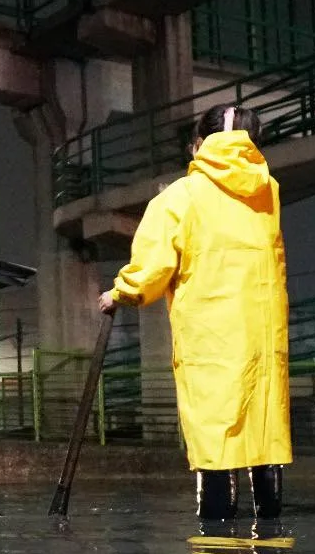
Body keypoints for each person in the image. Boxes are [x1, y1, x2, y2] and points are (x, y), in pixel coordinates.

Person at [98, 104, 290, 520]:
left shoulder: (179, 198)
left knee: (215, 434)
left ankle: (218, 551)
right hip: (261, 335)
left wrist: (120, 293)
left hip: (211, 338)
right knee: (262, 431)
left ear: (199, 144)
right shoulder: (266, 191)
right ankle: (272, 548)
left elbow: (151, 269)